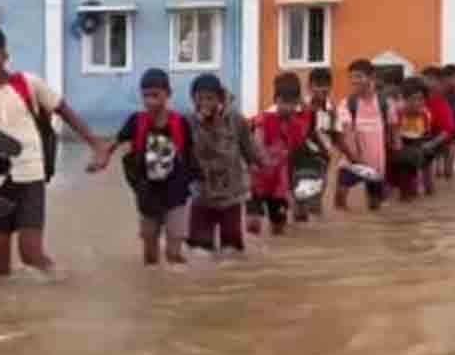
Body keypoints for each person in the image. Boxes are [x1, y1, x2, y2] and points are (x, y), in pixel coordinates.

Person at [0, 27, 110, 278]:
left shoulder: (27, 84)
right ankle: (6, 314)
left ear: (5, 56)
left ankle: (63, 284)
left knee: (31, 252)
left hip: (30, 177)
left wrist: (96, 144)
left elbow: (63, 110)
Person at [93, 69, 196, 266]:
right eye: (146, 96)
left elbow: (194, 155)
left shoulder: (180, 123)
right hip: (148, 194)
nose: (150, 101)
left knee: (174, 253)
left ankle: (180, 289)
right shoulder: (136, 121)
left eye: (155, 95)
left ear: (168, 94)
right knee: (149, 254)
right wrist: (102, 158)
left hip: (176, 194)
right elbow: (114, 142)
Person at [186, 74, 262, 252]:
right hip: (202, 196)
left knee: (232, 252)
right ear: (192, 99)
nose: (205, 103)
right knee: (199, 253)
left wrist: (257, 171)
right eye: (199, 99)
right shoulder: (188, 123)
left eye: (209, 98)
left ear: (219, 98)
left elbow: (250, 151)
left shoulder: (235, 120)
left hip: (231, 197)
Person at [248, 72, 313, 235]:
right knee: (253, 225)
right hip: (257, 181)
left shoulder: (298, 124)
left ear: (297, 102)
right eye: (283, 102)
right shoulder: (265, 118)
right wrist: (264, 160)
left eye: (292, 103)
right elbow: (257, 141)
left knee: (279, 228)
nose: (287, 107)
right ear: (275, 100)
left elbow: (297, 148)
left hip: (279, 185)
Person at [336, 59, 397, 211]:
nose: (354, 81)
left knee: (376, 208)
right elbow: (345, 135)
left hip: (377, 166)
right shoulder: (347, 104)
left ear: (371, 78)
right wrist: (355, 159)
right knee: (340, 203)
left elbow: (392, 134)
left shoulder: (386, 103)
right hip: (352, 162)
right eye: (352, 77)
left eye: (359, 76)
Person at [295, 68, 340, 219]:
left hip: (322, 160)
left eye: (326, 85)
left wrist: (334, 155)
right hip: (301, 158)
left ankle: (315, 234)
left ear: (330, 87)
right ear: (309, 86)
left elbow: (335, 134)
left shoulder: (331, 110)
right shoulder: (300, 107)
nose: (322, 89)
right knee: (300, 201)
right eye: (318, 85)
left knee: (316, 202)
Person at [388, 77, 439, 200]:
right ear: (403, 99)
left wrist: (425, 150)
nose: (417, 103)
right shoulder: (396, 113)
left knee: (429, 189)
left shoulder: (426, 115)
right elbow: (395, 140)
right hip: (400, 148)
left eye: (420, 99)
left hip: (419, 146)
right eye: (412, 99)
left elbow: (426, 136)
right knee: (405, 188)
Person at [422, 67, 455, 181]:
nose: (429, 83)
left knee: (443, 172)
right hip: (420, 139)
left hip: (441, 141)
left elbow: (447, 130)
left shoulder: (442, 103)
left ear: (440, 82)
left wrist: (432, 144)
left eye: (433, 79)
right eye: (426, 79)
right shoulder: (417, 99)